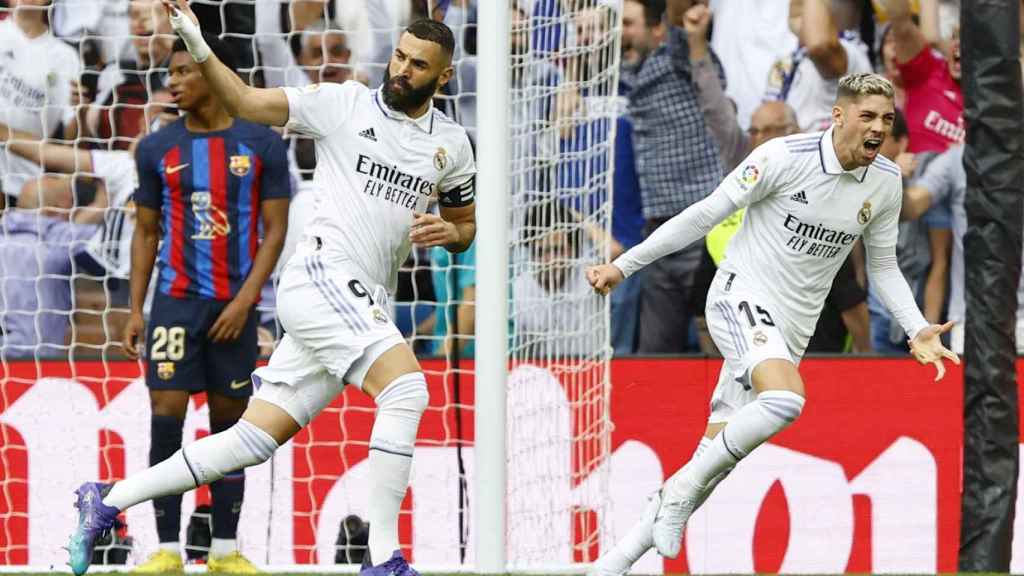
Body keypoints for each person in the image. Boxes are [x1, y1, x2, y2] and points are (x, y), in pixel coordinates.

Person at [68, 3, 476, 576]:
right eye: (400, 57)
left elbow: (467, 228)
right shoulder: (343, 103)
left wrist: (449, 231)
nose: (402, 70)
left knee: (252, 440)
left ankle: (107, 499)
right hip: (321, 278)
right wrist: (199, 45)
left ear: (444, 75)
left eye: (418, 65)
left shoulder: (453, 146)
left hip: (363, 300)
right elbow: (245, 103)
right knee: (406, 390)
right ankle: (384, 557)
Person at [585, 73, 959, 576]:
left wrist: (917, 329)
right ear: (839, 116)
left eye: (887, 119)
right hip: (740, 296)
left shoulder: (887, 182)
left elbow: (885, 266)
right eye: (867, 116)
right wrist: (623, 265)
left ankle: (614, 563)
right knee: (785, 400)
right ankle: (675, 493)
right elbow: (703, 215)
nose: (878, 128)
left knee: (714, 461)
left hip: (791, 328)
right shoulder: (784, 157)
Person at [120, 34, 291, 574]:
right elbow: (145, 233)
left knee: (230, 428)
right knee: (166, 421)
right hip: (174, 304)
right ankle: (167, 548)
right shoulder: (156, 148)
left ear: (210, 74)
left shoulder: (261, 143)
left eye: (181, 72)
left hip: (233, 309)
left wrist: (245, 302)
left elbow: (275, 229)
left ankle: (223, 550)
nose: (171, 82)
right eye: (168, 73)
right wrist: (135, 309)